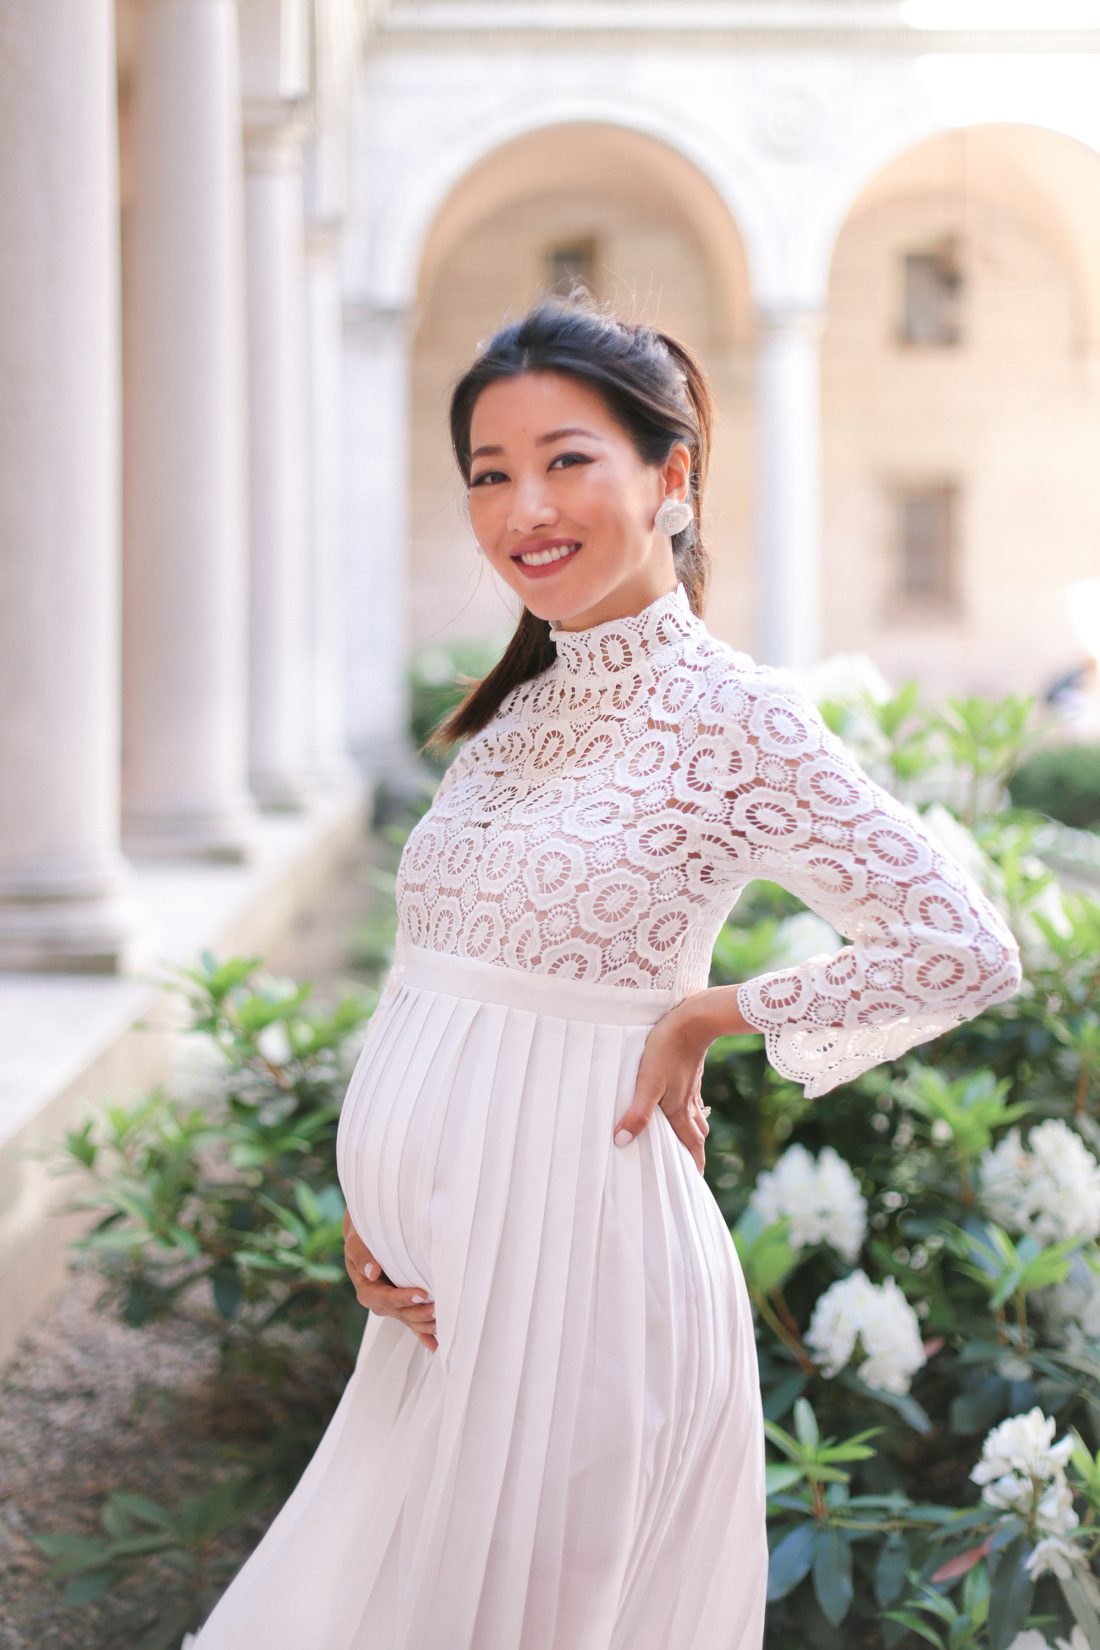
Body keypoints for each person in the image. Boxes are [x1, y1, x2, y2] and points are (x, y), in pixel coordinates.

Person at [185, 289, 1023, 1650]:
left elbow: (961, 945)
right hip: (434, 1309)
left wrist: (709, 1011)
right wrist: (381, 1198)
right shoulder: (509, 716)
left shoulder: (739, 716)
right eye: (490, 474)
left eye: (567, 458)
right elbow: (443, 987)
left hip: (584, 1287)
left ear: (671, 474)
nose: (526, 508)